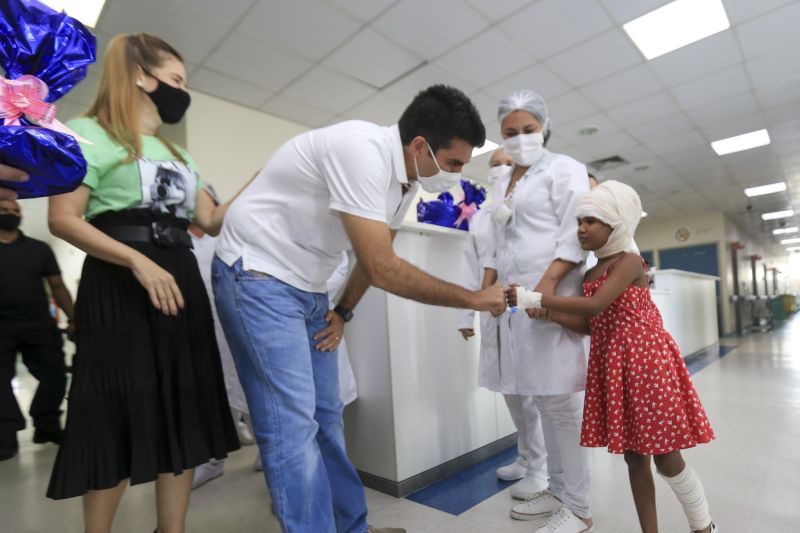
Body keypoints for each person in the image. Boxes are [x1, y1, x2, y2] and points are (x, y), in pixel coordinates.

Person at [213, 84, 506, 533]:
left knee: (327, 417)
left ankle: (351, 528)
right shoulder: (360, 150)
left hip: (308, 288)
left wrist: (343, 311)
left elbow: (375, 258)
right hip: (256, 273)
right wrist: (471, 299)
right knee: (292, 427)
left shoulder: (404, 181)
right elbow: (383, 267)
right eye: (453, 164)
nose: (457, 175)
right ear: (420, 146)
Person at [45, 33, 240, 533]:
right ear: (140, 75)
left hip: (179, 280)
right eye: (175, 79)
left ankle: (170, 529)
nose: (182, 90)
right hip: (119, 283)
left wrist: (266, 177)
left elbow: (212, 220)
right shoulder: (86, 132)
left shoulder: (179, 152)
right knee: (115, 405)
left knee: (182, 402)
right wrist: (136, 261)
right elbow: (64, 218)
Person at [508, 180, 716, 533]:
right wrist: (554, 315)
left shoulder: (630, 262)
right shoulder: (590, 272)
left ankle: (703, 526)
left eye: (592, 220)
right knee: (634, 457)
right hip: (617, 366)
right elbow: (594, 324)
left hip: (647, 364)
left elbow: (594, 304)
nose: (582, 228)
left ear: (617, 225)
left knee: (666, 459)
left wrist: (535, 299)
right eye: (580, 221)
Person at [484, 90, 593, 533]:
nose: (520, 139)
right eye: (511, 133)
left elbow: (574, 232)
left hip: (550, 299)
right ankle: (558, 490)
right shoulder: (509, 178)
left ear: (543, 127)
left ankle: (581, 508)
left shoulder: (563, 168)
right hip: (520, 307)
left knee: (562, 403)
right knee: (544, 401)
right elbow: (504, 238)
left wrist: (544, 290)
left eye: (528, 130)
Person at [456, 148, 549, 487]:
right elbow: (472, 264)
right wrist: (467, 314)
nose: (501, 169)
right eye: (495, 164)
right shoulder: (481, 217)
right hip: (493, 310)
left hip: (524, 307)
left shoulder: (535, 208)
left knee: (530, 391)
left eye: (509, 164)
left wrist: (529, 296)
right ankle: (525, 457)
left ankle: (541, 468)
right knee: (509, 390)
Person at [186, 183, 255, 490]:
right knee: (205, 393)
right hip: (196, 327)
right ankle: (211, 459)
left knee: (251, 386)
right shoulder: (177, 240)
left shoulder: (231, 234)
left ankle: (267, 448)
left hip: (236, 322)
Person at [0, 199, 74, 460]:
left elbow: (58, 286)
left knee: (54, 374)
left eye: (14, 210)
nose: (10, 214)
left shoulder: (39, 249)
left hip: (38, 323)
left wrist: (74, 318)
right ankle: (6, 434)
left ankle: (46, 426)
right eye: (4, 210)